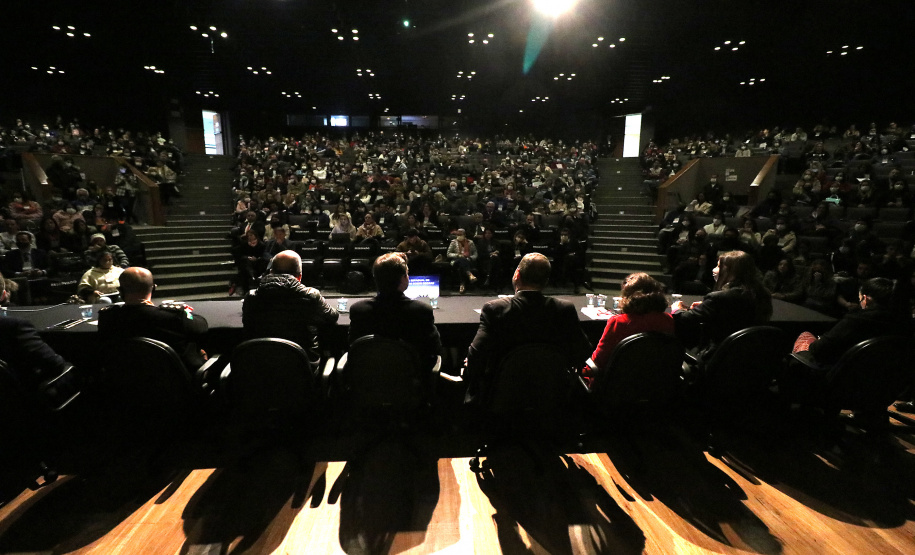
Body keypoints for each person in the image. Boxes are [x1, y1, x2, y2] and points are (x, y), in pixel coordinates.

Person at [463, 253, 592, 403]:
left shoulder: (495, 309)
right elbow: (583, 351)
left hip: (504, 397)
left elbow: (476, 356)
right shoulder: (565, 309)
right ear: (546, 281)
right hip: (552, 397)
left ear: (517, 275)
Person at [786, 278, 914, 405]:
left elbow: (819, 350)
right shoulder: (906, 326)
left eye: (860, 299)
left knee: (805, 336)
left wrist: (819, 341)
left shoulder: (857, 321)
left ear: (866, 298)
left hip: (842, 384)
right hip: (886, 388)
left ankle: (797, 402)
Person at [242, 251, 338, 373]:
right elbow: (332, 316)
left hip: (259, 370)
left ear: (271, 271)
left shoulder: (251, 297)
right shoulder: (310, 296)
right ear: (299, 276)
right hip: (301, 371)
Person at [97, 267, 209, 371]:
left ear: (120, 291)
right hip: (175, 385)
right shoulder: (173, 316)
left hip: (123, 386)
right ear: (154, 288)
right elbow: (202, 327)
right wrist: (187, 312)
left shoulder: (107, 317)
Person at [671, 250, 773, 361]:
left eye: (719, 266)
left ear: (731, 271)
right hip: (751, 359)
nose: (714, 270)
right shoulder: (763, 294)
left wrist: (677, 309)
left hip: (718, 358)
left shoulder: (718, 297)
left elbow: (684, 320)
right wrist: (706, 306)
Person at [347, 252, 442, 368]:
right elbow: (434, 349)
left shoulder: (358, 310)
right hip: (410, 381)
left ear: (375, 278)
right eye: (407, 274)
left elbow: (353, 347)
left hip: (368, 380)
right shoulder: (421, 311)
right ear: (403, 279)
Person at [582, 273, 674, 385]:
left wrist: (580, 371)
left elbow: (598, 363)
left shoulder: (619, 322)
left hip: (618, 388)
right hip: (655, 386)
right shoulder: (668, 320)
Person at [447, 228, 478, 294]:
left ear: (464, 235)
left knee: (462, 265)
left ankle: (462, 284)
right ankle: (469, 274)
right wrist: (458, 255)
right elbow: (448, 254)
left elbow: (475, 254)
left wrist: (470, 258)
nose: (459, 236)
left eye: (461, 234)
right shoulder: (453, 242)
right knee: (462, 259)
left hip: (468, 260)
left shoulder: (470, 242)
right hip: (456, 261)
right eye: (458, 234)